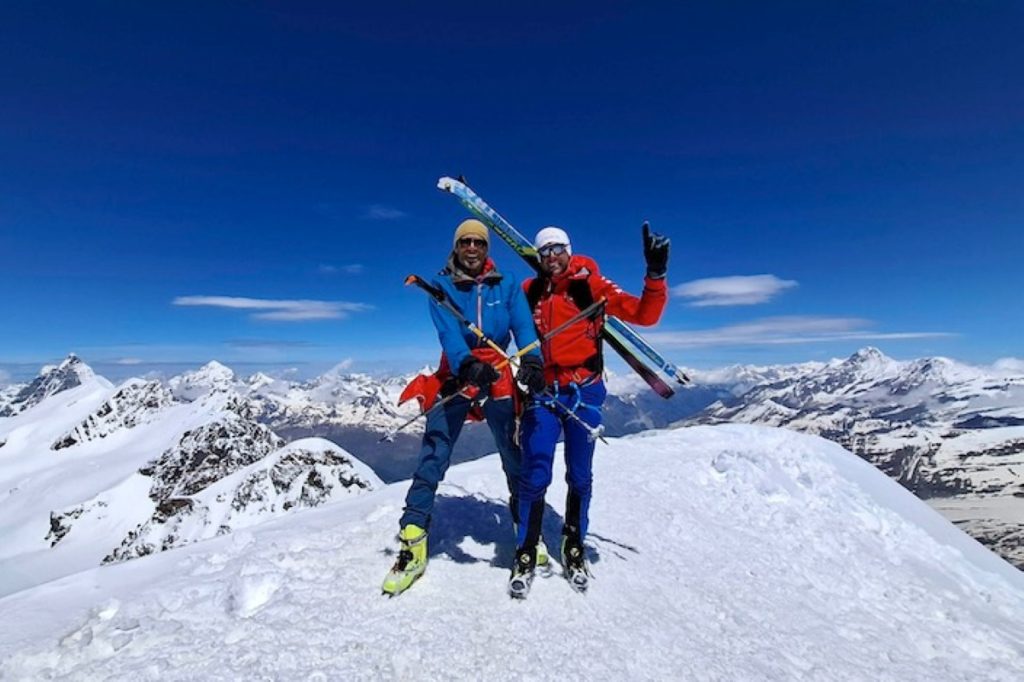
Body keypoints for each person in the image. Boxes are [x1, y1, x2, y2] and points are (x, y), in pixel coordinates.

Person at [382, 218, 546, 596]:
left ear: (487, 248)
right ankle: (412, 540)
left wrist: (533, 360)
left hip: (498, 374)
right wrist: (466, 363)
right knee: (434, 455)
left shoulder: (506, 285)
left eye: (479, 242)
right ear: (456, 247)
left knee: (513, 455)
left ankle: (526, 530)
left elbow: (523, 327)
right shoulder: (441, 287)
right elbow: (449, 334)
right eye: (465, 242)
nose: (472, 247)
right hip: (457, 375)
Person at [508, 223, 669, 598]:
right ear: (538, 257)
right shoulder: (530, 291)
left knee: (580, 475)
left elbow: (644, 315)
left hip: (584, 392)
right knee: (535, 473)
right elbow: (505, 326)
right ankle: (527, 548)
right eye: (544, 252)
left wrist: (656, 274)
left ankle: (573, 543)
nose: (552, 257)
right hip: (544, 393)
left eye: (557, 249)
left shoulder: (590, 285)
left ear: (569, 249)